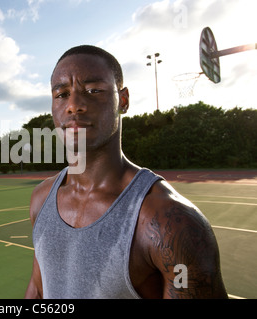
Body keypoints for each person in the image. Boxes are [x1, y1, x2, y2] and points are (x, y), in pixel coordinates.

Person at [24, 45, 228, 299]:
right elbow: (38, 289)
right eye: (62, 94)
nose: (74, 105)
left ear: (123, 100)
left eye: (93, 90)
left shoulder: (171, 222)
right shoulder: (40, 199)